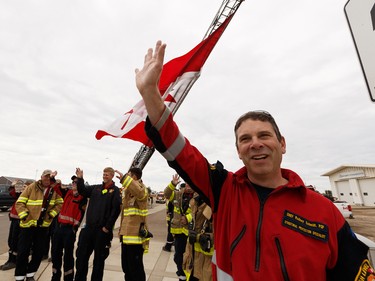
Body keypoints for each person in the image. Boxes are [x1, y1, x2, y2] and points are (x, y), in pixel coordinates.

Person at [134, 41, 375, 280]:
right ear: (238, 151)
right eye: (245, 139)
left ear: (282, 144)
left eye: (264, 135)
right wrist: (150, 95)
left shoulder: (325, 212)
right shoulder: (224, 190)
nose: (255, 143)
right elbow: (180, 150)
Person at [15, 170, 64, 281]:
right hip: (28, 225)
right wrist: (24, 216)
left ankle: (30, 274)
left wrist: (52, 214)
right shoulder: (32, 187)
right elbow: (20, 202)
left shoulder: (54, 190)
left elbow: (60, 203)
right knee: (23, 251)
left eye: (49, 178)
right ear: (41, 177)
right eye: (45, 177)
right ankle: (19, 276)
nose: (47, 180)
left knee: (38, 252)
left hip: (43, 226)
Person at [74, 167, 121, 281]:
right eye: (104, 174)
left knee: (98, 262)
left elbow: (116, 211)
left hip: (102, 232)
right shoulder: (96, 188)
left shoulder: (115, 191)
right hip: (88, 229)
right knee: (81, 258)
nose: (105, 176)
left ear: (112, 176)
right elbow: (82, 190)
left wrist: (107, 228)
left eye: (107, 174)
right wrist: (80, 179)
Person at [115, 167, 151, 281]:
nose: (127, 177)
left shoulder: (142, 189)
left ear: (134, 177)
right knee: (126, 268)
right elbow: (125, 215)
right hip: (125, 236)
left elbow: (139, 192)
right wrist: (121, 232)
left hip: (135, 238)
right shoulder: (128, 192)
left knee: (136, 269)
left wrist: (124, 179)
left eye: (129, 175)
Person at [51, 175, 87, 281]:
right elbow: (56, 187)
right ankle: (55, 277)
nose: (73, 184)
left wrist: (74, 229)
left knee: (68, 257)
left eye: (76, 182)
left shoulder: (82, 197)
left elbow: (80, 215)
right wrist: (53, 177)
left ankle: (68, 278)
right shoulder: (67, 193)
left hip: (69, 231)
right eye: (73, 182)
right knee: (55, 254)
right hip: (59, 229)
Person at [164, 174, 194, 281]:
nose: (188, 186)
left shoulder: (198, 197)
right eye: (187, 184)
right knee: (178, 257)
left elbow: (200, 212)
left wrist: (188, 217)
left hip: (191, 234)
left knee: (190, 258)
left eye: (191, 184)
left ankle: (188, 276)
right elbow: (167, 194)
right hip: (178, 232)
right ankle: (181, 275)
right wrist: (172, 184)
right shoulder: (177, 195)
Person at [183, 192, 214, 281]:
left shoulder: (217, 203)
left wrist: (199, 237)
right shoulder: (195, 201)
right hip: (193, 262)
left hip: (207, 264)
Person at [0, 183, 23, 271]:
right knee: (11, 241)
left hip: (19, 221)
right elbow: (12, 193)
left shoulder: (26, 195)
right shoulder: (19, 195)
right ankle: (10, 260)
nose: (22, 188)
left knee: (15, 242)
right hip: (14, 220)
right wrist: (13, 186)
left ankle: (14, 261)